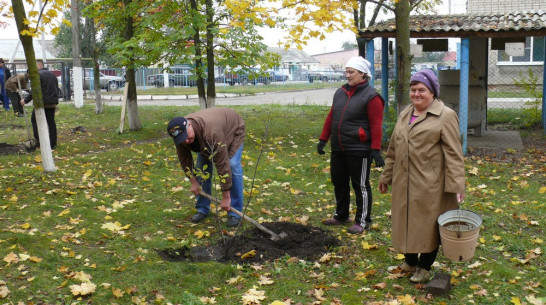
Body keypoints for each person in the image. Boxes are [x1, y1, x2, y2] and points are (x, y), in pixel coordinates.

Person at [378, 70, 465, 283]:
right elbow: (394, 149)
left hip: (430, 184)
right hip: (403, 181)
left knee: (427, 225)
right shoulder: (405, 113)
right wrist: (386, 176)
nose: (416, 94)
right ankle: (410, 262)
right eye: (413, 89)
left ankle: (424, 267)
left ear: (432, 92)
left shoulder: (445, 115)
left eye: (422, 90)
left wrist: (457, 185)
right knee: (405, 221)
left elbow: (454, 154)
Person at [317, 56, 385, 234]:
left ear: (362, 74)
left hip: (359, 149)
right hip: (338, 147)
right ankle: (341, 215)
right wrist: (323, 139)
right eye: (346, 72)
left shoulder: (372, 97)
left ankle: (363, 221)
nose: (347, 75)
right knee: (339, 182)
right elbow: (332, 116)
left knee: (360, 185)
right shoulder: (340, 92)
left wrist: (375, 149)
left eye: (351, 72)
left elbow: (376, 124)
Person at [167, 107, 245, 227]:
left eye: (187, 136)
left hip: (233, 128)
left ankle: (235, 212)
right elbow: (185, 160)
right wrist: (193, 182)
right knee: (201, 169)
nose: (186, 141)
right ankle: (203, 209)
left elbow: (222, 164)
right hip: (207, 139)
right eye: (183, 139)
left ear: (189, 126)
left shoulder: (211, 133)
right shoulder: (180, 136)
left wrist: (226, 196)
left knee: (232, 165)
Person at [21, 59, 59, 149]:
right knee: (51, 122)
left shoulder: (38, 75)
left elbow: (35, 90)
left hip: (42, 103)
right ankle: (53, 144)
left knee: (34, 120)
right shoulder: (53, 75)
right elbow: (56, 88)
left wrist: (25, 100)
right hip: (53, 102)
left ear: (39, 65)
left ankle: (39, 141)